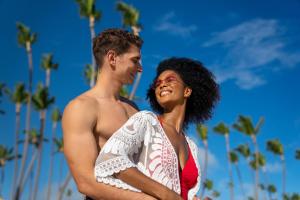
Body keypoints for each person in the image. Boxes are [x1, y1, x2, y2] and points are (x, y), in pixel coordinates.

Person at [94, 57, 220, 200]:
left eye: (170, 80)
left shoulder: (191, 146)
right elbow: (108, 159)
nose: (162, 85)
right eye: (158, 83)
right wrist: (165, 194)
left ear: (187, 91)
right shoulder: (146, 122)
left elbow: (185, 191)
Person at [62, 28, 161, 200]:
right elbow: (86, 182)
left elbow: (150, 167)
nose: (140, 68)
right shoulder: (81, 107)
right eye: (135, 60)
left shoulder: (133, 108)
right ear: (112, 58)